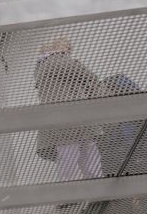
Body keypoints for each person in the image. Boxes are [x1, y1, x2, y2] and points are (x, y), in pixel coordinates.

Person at [33, 36, 105, 181]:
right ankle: (90, 184)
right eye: (66, 47)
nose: (69, 51)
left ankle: (75, 187)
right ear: (54, 48)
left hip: (65, 119)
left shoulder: (43, 67)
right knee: (80, 150)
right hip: (71, 117)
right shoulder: (56, 60)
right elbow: (87, 76)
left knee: (73, 151)